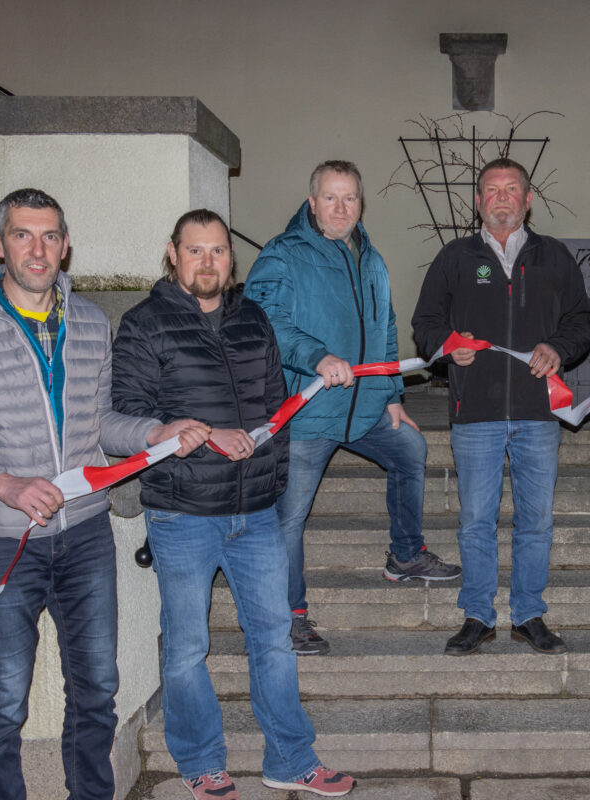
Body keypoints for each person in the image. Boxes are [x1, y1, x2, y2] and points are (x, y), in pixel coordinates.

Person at [0, 189, 210, 800]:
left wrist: (155, 432)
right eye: (22, 234)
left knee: (97, 691)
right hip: (2, 545)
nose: (36, 249)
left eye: (49, 237)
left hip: (87, 536)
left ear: (66, 247)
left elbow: (101, 428)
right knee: (2, 703)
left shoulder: (91, 322)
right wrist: (3, 482)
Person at [112, 209, 356, 799]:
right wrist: (182, 428)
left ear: (231, 257)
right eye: (195, 251)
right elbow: (125, 414)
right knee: (188, 646)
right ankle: (201, 762)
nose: (207, 262)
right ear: (173, 254)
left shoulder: (253, 319)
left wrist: (269, 481)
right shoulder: (144, 324)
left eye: (217, 251)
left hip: (256, 514)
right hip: (183, 512)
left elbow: (274, 406)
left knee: (273, 637)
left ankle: (291, 760)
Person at [246, 160, 460, 656]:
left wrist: (391, 397)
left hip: (362, 406)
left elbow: (386, 333)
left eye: (350, 199)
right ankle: (288, 617)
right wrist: (316, 356)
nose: (340, 208)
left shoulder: (372, 258)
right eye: (330, 198)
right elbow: (264, 322)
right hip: (306, 414)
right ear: (312, 200)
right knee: (288, 520)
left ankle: (405, 556)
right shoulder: (283, 254)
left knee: (410, 449)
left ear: (361, 203)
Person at [412, 157, 590, 657]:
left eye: (511, 189)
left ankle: (529, 614)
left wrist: (559, 346)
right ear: (478, 200)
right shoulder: (454, 257)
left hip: (540, 413)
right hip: (476, 413)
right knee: (476, 520)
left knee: (535, 520)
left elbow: (582, 320)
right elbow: (424, 323)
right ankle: (477, 615)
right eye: (491, 189)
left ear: (527, 199)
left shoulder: (554, 257)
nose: (501, 197)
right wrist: (448, 344)